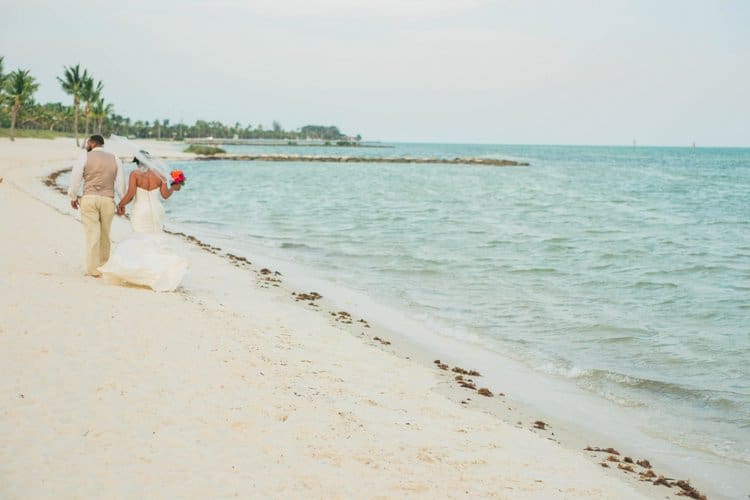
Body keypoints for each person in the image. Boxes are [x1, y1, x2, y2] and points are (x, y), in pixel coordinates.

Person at [97, 154, 188, 291]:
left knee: (140, 239)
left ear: (138, 163)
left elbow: (131, 194)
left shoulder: (135, 174)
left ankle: (144, 272)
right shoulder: (160, 175)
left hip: (141, 210)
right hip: (157, 210)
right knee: (156, 239)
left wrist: (120, 205)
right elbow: (165, 195)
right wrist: (174, 187)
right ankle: (162, 271)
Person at [68, 134, 126, 277]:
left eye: (88, 142)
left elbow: (75, 179)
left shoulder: (84, 157)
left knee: (92, 234)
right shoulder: (115, 158)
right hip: (108, 199)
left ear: (92, 143)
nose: (87, 144)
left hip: (89, 198)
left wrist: (73, 196)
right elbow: (120, 184)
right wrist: (122, 202)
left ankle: (93, 270)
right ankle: (104, 266)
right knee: (105, 234)